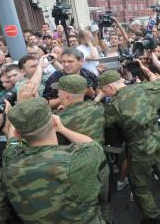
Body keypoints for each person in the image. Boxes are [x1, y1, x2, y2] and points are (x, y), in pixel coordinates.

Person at [99, 70, 160, 224]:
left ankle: (153, 217)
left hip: (140, 145)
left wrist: (97, 98)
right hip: (157, 135)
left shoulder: (113, 106)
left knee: (138, 181)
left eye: (103, 90)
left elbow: (100, 121)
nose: (103, 93)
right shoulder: (142, 87)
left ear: (110, 87)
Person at [3, 97, 104, 223]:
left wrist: (17, 112)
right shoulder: (77, 160)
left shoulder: (11, 157)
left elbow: (12, 140)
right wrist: (62, 129)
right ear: (54, 122)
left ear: (19, 134)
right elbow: (94, 146)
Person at [54, 74, 111, 224]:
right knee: (104, 204)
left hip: (80, 173)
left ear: (65, 94)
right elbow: (93, 104)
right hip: (101, 166)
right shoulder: (97, 107)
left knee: (89, 210)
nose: (57, 94)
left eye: (58, 91)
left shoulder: (60, 120)